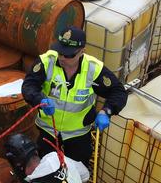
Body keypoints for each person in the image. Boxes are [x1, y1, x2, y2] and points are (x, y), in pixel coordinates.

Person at [21, 26, 127, 167]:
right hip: (48, 131)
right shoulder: (47, 62)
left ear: (82, 51)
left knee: (78, 171)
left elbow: (118, 91)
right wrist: (39, 99)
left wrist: (106, 111)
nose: (62, 58)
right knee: (47, 169)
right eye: (60, 52)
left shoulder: (93, 69)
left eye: (69, 55)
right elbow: (29, 85)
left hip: (78, 134)